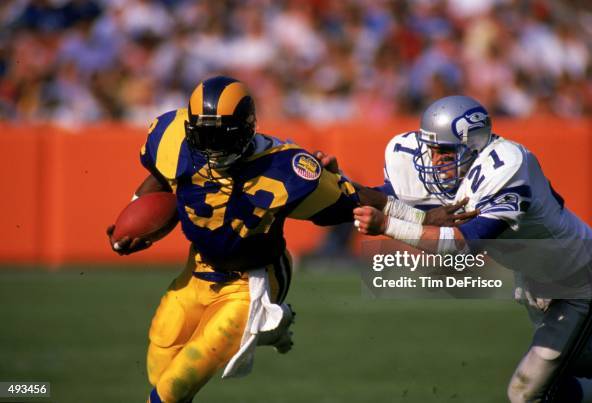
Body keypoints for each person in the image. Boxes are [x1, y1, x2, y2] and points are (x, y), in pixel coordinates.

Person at [106, 76, 471, 403]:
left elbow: (356, 199)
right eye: (204, 136)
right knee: (159, 363)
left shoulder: (286, 168)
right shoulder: (172, 137)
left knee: (172, 390)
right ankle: (269, 329)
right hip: (198, 268)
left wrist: (423, 217)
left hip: (252, 280)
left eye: (222, 137)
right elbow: (158, 173)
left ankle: (264, 317)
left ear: (246, 129)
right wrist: (135, 214)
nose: (213, 148)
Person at [351, 95, 592, 402]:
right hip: (535, 281)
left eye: (445, 153)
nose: (434, 161)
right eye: (431, 150)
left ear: (473, 145)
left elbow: (465, 243)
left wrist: (387, 227)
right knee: (578, 357)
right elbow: (384, 198)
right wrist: (331, 183)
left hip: (581, 278)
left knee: (527, 393)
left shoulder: (507, 165)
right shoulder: (433, 163)